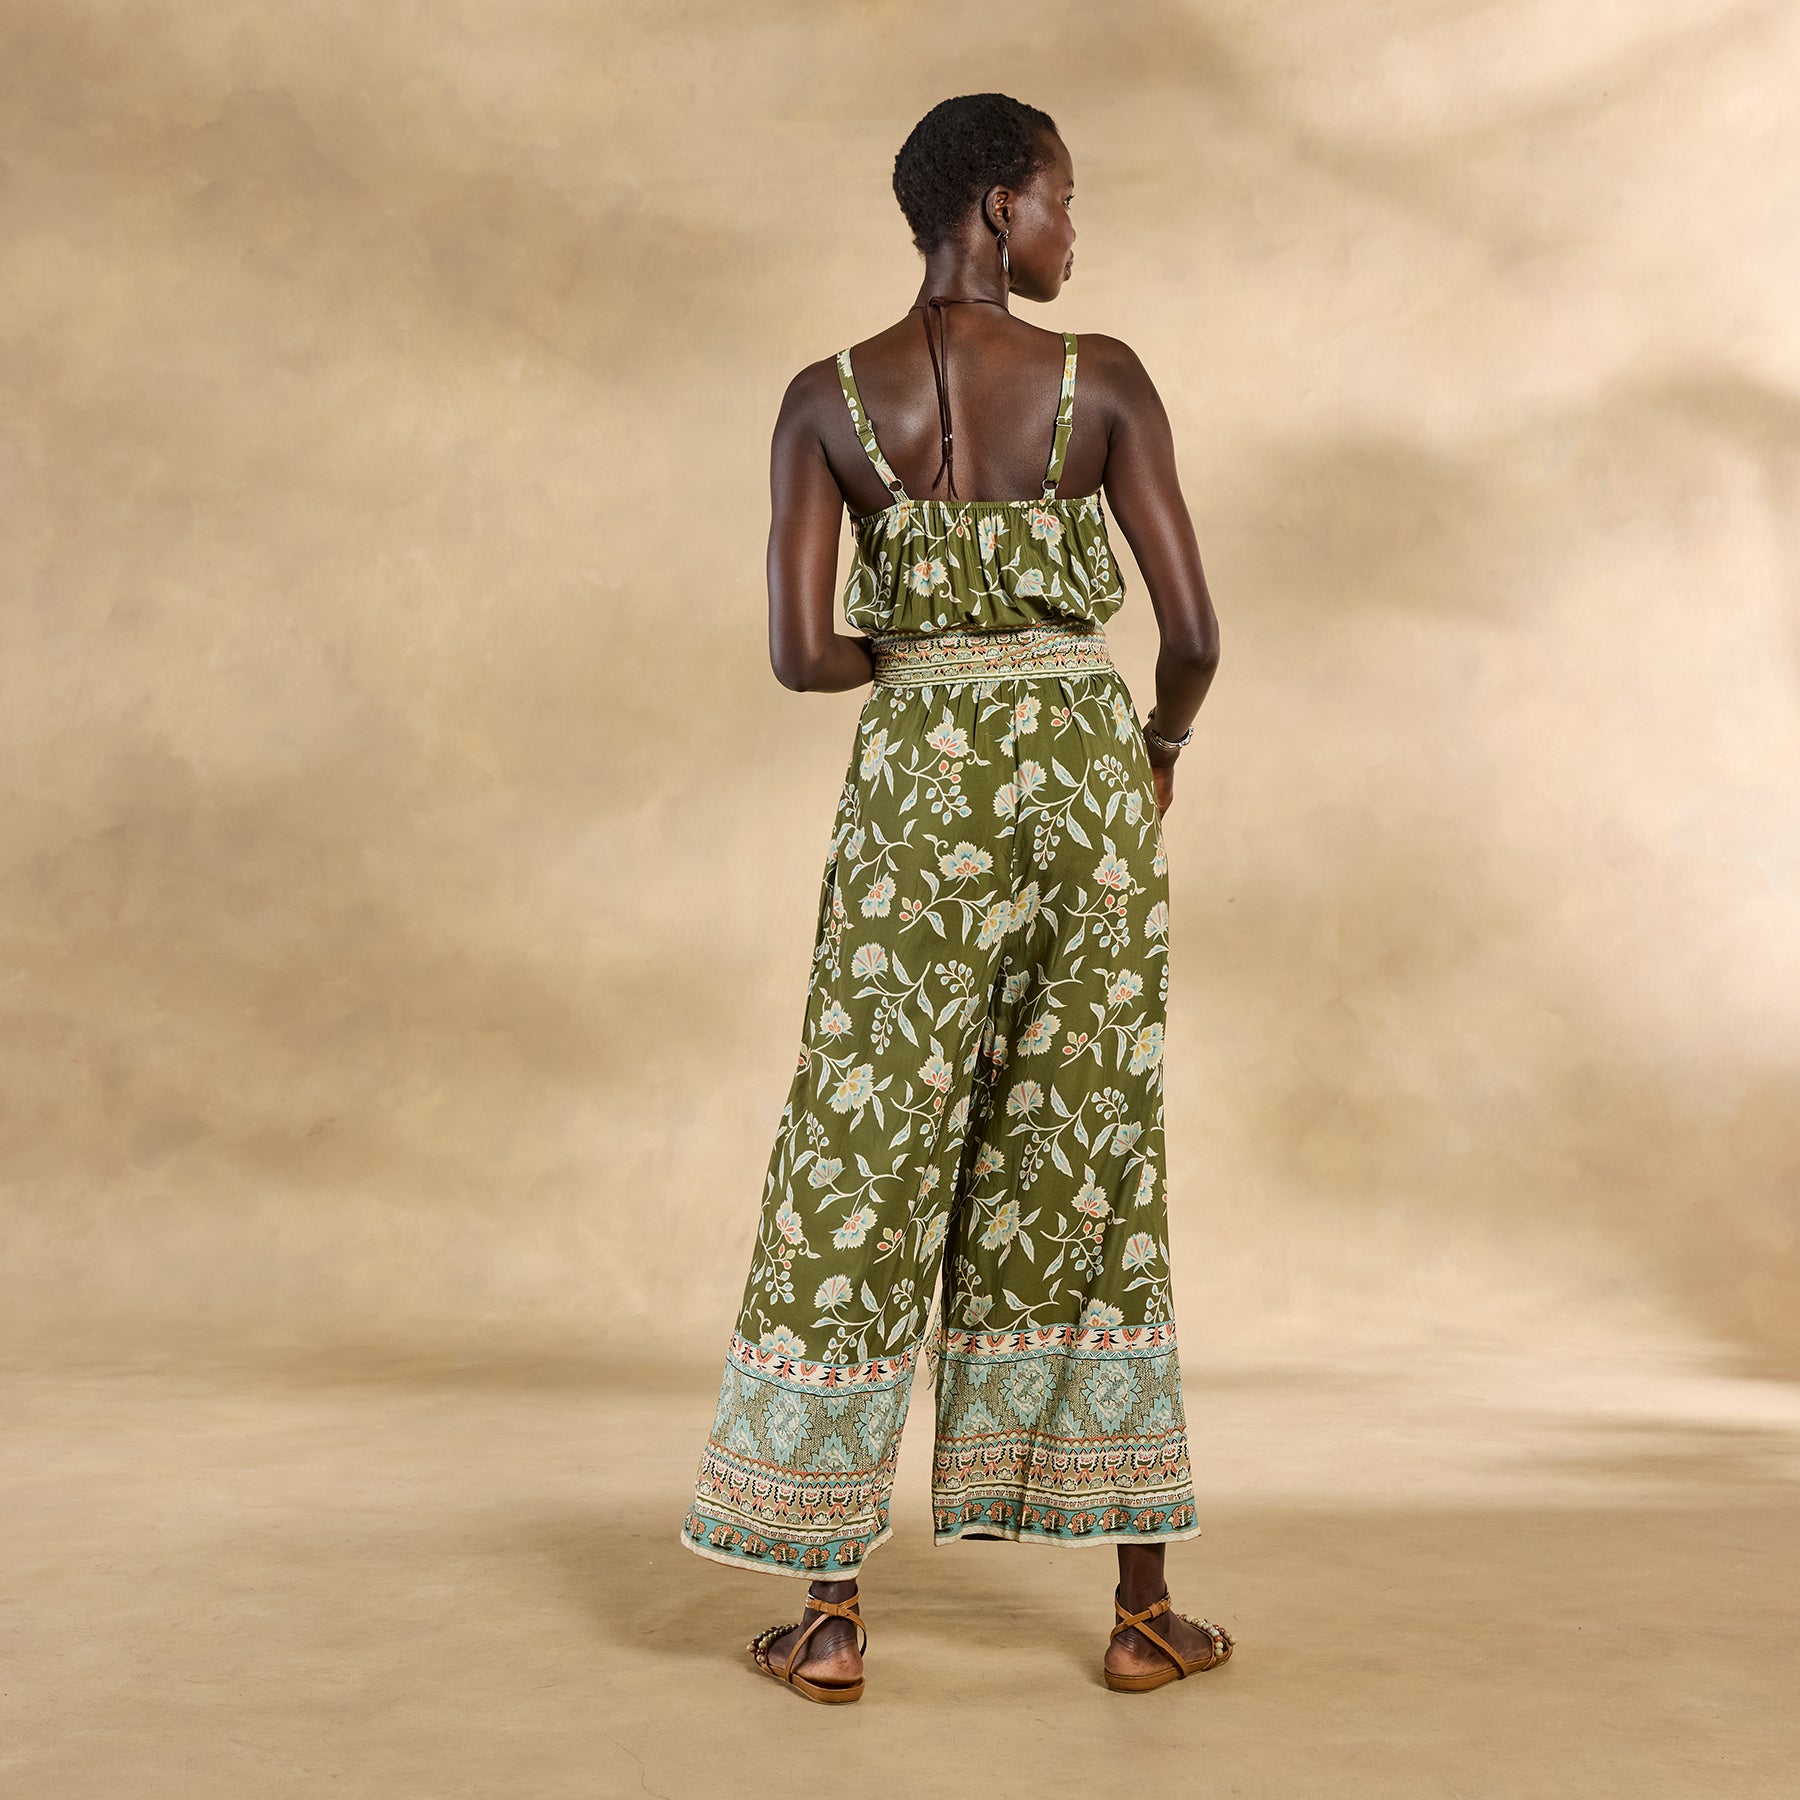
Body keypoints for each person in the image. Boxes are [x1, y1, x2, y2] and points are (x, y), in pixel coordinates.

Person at [678, 91, 1228, 1701]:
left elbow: (801, 655)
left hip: (915, 789)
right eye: (1063, 199)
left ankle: (829, 1618)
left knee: (865, 1153)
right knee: (1088, 1150)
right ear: (997, 205)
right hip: (1083, 785)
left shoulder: (823, 401)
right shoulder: (1101, 380)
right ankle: (1142, 1617)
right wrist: (1157, 745)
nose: (1072, 230)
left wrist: (931, 660)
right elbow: (1195, 633)